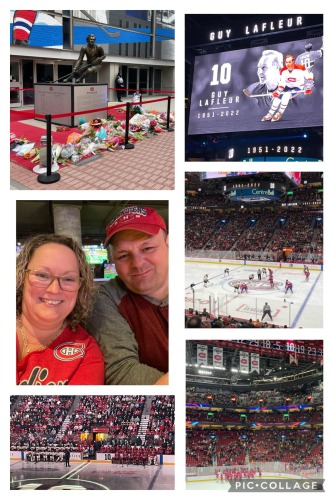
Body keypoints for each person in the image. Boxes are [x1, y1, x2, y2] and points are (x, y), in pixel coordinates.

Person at [86, 206, 168, 385]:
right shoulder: (105, 299)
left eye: (147, 248)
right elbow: (121, 371)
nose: (137, 264)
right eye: (123, 256)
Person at [16, 234, 105, 385]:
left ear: (80, 288)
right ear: (21, 277)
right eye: (42, 275)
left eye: (68, 279)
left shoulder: (87, 354)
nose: (54, 289)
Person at [261, 54, 314, 122]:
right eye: (286, 62)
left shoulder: (300, 68)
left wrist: (308, 87)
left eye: (289, 62)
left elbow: (309, 77)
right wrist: (277, 91)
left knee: (286, 95)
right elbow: (282, 83)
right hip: (287, 87)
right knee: (277, 98)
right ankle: (270, 114)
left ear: (293, 62)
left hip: (297, 87)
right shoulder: (283, 71)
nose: (288, 64)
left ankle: (279, 113)